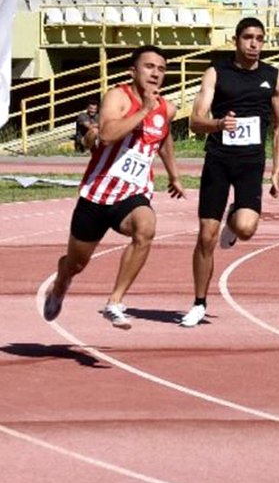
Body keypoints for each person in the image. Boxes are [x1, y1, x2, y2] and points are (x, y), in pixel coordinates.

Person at [43, 46, 184, 329]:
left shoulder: (166, 107)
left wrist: (174, 174)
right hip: (97, 195)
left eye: (161, 69)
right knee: (77, 264)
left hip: (133, 194)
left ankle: (115, 302)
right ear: (133, 71)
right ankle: (61, 281)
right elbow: (106, 135)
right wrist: (144, 109)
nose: (156, 73)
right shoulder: (118, 97)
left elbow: (163, 137)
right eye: (149, 67)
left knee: (146, 228)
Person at [179, 17, 279, 328]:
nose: (254, 44)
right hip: (218, 161)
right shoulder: (216, 72)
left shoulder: (274, 77)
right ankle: (199, 302)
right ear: (236, 40)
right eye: (248, 38)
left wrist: (277, 171)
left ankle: (234, 216)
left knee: (246, 228)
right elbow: (194, 121)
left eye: (260, 39)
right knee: (205, 237)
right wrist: (216, 124)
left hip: (251, 164)